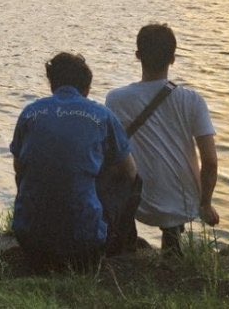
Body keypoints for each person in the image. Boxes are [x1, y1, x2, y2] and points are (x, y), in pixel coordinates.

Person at [10, 52, 139, 270]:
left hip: (29, 238)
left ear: (52, 84)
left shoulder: (30, 113)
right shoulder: (102, 115)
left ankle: (37, 219)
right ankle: (119, 244)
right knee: (134, 181)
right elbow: (130, 173)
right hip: (84, 245)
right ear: (87, 88)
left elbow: (19, 169)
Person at [105, 23, 219, 253]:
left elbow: (110, 153)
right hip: (183, 203)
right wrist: (205, 204)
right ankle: (172, 244)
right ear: (173, 59)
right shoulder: (192, 100)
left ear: (138, 56)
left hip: (138, 202)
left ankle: (125, 242)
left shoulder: (116, 99)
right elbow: (210, 161)